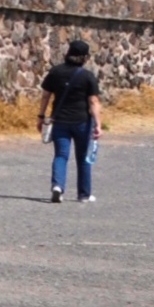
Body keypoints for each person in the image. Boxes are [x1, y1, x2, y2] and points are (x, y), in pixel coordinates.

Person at [41, 39, 103, 202]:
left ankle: (58, 186)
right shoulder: (88, 76)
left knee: (61, 155)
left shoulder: (55, 72)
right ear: (84, 57)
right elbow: (93, 102)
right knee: (83, 157)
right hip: (82, 121)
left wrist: (41, 116)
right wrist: (98, 124)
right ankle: (84, 194)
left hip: (60, 121)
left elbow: (45, 95)